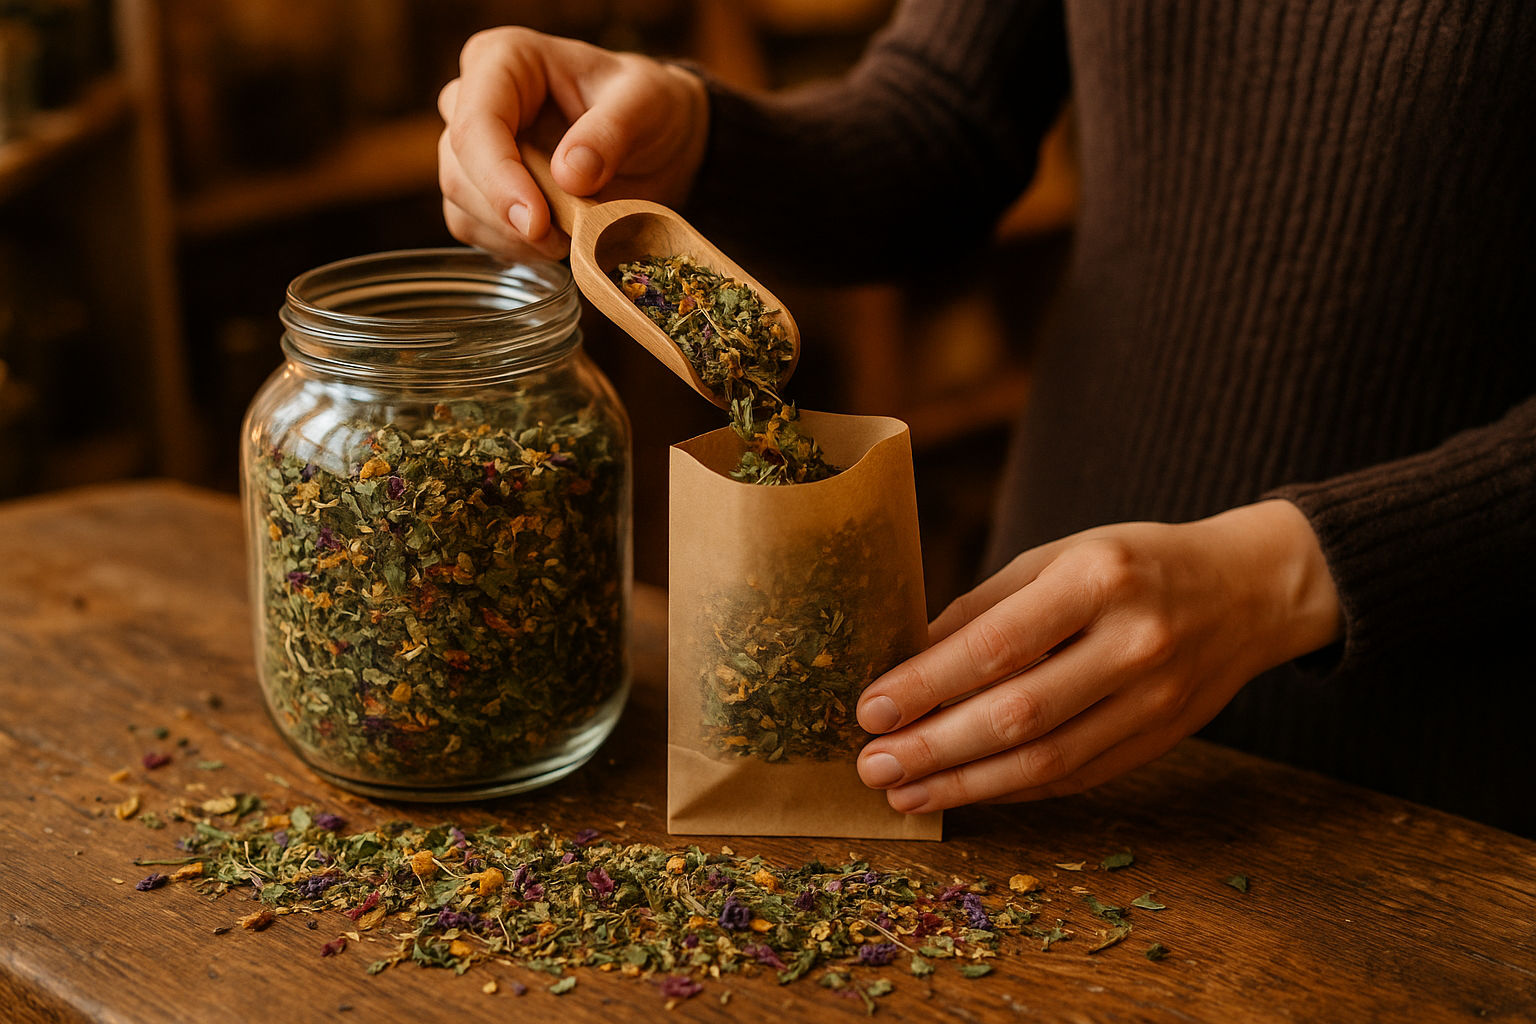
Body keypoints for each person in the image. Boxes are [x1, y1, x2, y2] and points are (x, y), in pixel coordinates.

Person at [437, 1, 1536, 836]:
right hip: (1031, 685)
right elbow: (944, 116)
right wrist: (702, 137)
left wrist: (1290, 572)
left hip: (1444, 770)